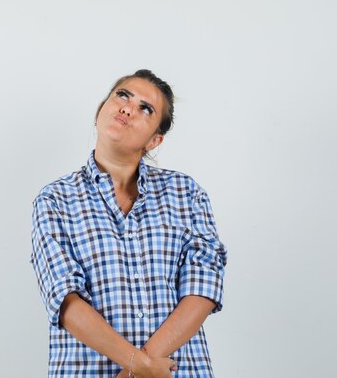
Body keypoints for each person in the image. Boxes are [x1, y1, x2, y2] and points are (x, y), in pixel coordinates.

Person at [30, 70, 228, 378]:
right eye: (122, 95)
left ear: (154, 140)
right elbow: (65, 300)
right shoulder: (55, 200)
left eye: (145, 108)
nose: (128, 108)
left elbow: (202, 288)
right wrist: (138, 364)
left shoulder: (186, 193)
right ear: (100, 110)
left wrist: (140, 367)